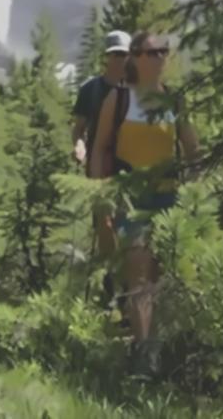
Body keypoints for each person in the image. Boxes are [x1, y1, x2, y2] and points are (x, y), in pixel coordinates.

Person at [90, 31, 195, 375]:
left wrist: (198, 189)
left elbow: (192, 148)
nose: (160, 58)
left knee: (157, 274)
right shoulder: (118, 100)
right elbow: (100, 148)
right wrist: (100, 196)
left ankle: (153, 344)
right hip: (131, 196)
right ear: (135, 57)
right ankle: (144, 354)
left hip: (168, 196)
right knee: (138, 270)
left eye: (165, 51)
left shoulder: (174, 101)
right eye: (152, 52)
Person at [73, 31, 130, 290]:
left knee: (127, 224)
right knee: (104, 224)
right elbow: (79, 129)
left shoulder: (137, 91)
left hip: (130, 166)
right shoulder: (90, 90)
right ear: (107, 57)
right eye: (116, 54)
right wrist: (79, 146)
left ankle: (125, 283)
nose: (120, 59)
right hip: (98, 165)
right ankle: (115, 278)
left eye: (125, 54)